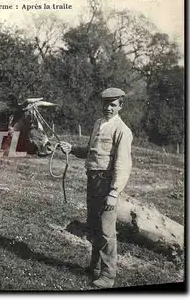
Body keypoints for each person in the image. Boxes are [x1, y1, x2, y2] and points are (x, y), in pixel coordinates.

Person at [59, 87, 133, 289]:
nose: (108, 108)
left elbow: (123, 165)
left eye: (113, 104)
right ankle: (95, 268)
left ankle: (109, 276)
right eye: (105, 104)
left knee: (107, 230)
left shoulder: (122, 130)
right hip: (92, 180)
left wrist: (114, 193)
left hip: (106, 184)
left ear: (120, 106)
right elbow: (92, 152)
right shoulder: (98, 123)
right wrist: (72, 149)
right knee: (94, 226)